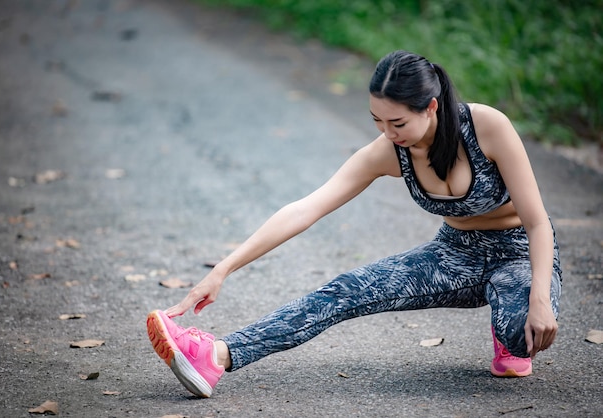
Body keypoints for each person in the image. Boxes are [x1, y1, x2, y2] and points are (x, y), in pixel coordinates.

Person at [146, 50, 562, 398]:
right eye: (377, 121)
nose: (387, 133)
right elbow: (305, 209)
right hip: (454, 254)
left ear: (431, 106)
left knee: (520, 332)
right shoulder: (388, 151)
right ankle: (215, 355)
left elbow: (538, 223)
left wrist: (539, 299)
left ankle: (509, 327)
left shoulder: (487, 126)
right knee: (345, 290)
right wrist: (223, 269)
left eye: (397, 123)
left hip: (519, 251)